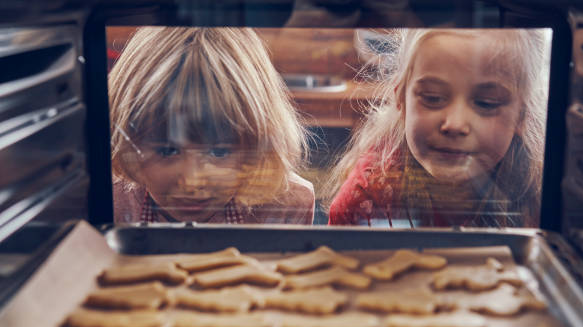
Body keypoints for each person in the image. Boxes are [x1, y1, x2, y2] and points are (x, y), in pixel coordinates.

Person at [327, 28, 551, 228]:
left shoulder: (540, 193)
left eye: (486, 103)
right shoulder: (367, 195)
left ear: (522, 115)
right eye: (433, 98)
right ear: (401, 101)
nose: (454, 124)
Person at [109, 27, 315, 224]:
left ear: (258, 143)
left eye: (219, 152)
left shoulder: (288, 205)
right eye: (168, 150)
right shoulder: (109, 200)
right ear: (128, 142)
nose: (192, 181)